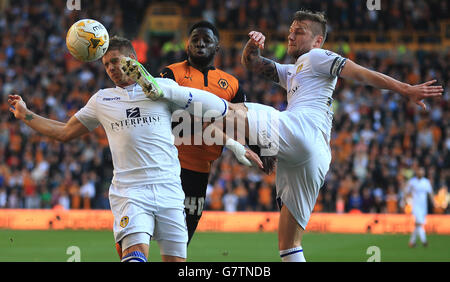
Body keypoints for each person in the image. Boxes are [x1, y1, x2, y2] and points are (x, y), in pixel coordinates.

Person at [126, 10, 443, 262]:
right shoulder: (295, 71)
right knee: (289, 245)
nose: (291, 33)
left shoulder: (318, 57)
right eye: (291, 28)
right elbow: (254, 65)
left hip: (300, 130)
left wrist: (405, 88)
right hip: (314, 155)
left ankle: (164, 89)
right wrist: (252, 48)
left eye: (300, 30)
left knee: (234, 111)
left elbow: (360, 74)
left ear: (317, 40)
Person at [8, 36, 261, 262]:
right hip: (130, 193)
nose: (111, 69)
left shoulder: (164, 91)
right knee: (135, 254)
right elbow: (64, 132)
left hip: (170, 190)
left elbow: (206, 115)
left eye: (116, 62)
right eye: (106, 65)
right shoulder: (102, 100)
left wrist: (235, 145)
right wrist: (26, 115)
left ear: (133, 60)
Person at [159, 21, 250, 244]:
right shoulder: (170, 73)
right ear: (187, 44)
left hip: (200, 171)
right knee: (147, 228)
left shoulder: (231, 84)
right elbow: (163, 116)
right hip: (167, 163)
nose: (200, 44)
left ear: (216, 48)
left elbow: (243, 121)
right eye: (195, 40)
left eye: (206, 41)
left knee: (183, 238)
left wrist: (259, 151)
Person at [405, 167, 435, 247]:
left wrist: (434, 202)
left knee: (418, 225)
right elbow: (407, 191)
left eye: (422, 172)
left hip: (423, 206)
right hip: (416, 206)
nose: (421, 173)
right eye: (419, 171)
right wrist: (406, 201)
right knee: (419, 223)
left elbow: (430, 192)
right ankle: (424, 241)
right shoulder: (412, 182)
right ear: (417, 172)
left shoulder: (426, 182)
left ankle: (411, 242)